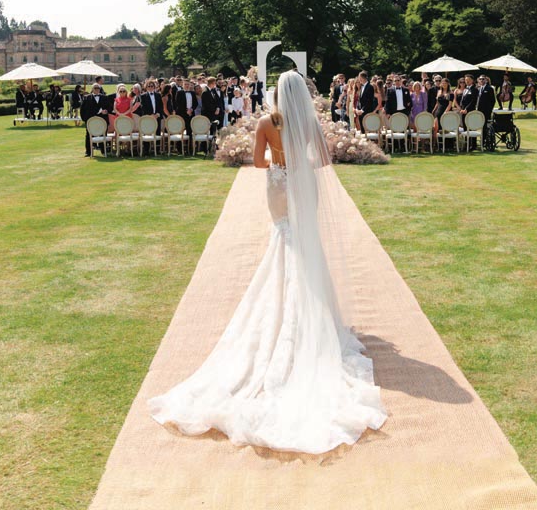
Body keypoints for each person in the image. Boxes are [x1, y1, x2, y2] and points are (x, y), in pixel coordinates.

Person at [147, 70, 387, 453]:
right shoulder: (308, 122)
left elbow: (257, 162)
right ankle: (314, 315)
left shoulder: (265, 122)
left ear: (277, 94)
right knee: (306, 246)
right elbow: (325, 160)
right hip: (304, 186)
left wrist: (280, 160)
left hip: (277, 185)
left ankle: (281, 312)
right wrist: (301, 162)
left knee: (284, 241)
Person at [80, 84, 110, 156]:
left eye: (98, 88)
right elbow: (83, 109)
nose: (97, 89)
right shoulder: (87, 98)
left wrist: (106, 111)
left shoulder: (104, 97)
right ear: (92, 89)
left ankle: (103, 151)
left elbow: (109, 107)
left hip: (102, 119)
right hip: (91, 119)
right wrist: (85, 119)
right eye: (95, 88)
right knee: (89, 135)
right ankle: (88, 151)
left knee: (103, 134)